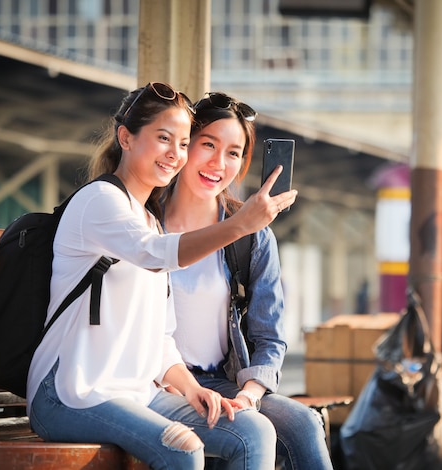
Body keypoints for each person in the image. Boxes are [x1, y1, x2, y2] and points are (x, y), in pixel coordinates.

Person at [26, 82, 297, 470]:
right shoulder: (100, 201)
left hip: (137, 393)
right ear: (126, 137)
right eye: (164, 138)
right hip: (73, 392)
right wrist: (240, 225)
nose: (175, 154)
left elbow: (161, 337)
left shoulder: (150, 220)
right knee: (182, 448)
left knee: (253, 432)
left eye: (184, 143)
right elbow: (157, 256)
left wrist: (192, 390)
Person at [161, 92, 333, 470]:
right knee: (247, 436)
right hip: (157, 382)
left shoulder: (252, 236)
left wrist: (249, 394)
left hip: (222, 381)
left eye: (234, 152)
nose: (218, 163)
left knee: (304, 422)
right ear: (185, 144)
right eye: (208, 144)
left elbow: (269, 336)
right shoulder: (144, 222)